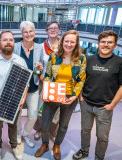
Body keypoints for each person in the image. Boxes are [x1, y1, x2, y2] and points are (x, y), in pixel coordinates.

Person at [73, 30, 122, 160]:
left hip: (105, 108)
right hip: (86, 104)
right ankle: (84, 150)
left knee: (102, 137)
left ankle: (99, 157)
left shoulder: (120, 63)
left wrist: (112, 105)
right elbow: (81, 79)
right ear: (98, 44)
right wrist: (80, 96)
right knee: (85, 130)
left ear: (115, 45)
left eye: (109, 42)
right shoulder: (88, 59)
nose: (106, 45)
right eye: (103, 42)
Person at [35, 30, 87, 160]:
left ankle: (56, 146)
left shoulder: (81, 58)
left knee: (63, 125)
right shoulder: (54, 56)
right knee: (45, 125)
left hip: (70, 97)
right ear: (62, 41)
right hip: (53, 94)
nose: (69, 44)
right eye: (66, 41)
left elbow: (81, 79)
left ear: (76, 43)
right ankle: (45, 144)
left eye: (72, 42)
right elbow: (47, 76)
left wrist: (75, 96)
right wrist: (48, 91)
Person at [0, 31, 28, 160]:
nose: (8, 42)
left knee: (13, 125)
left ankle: (14, 146)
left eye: (11, 40)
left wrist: (23, 98)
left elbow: (25, 83)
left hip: (15, 101)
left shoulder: (20, 61)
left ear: (14, 43)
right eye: (5, 40)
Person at [13, 21, 45, 148]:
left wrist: (40, 68)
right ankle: (17, 135)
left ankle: (25, 134)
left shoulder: (39, 47)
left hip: (33, 87)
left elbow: (38, 70)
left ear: (34, 32)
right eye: (25, 32)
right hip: (18, 88)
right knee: (17, 115)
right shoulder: (15, 47)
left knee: (33, 115)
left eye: (30, 31)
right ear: (22, 33)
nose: (28, 34)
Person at [33, 21, 61, 141]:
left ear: (59, 30)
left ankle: (52, 132)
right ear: (47, 31)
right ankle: (39, 129)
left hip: (59, 84)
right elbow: (36, 66)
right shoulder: (40, 47)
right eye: (50, 28)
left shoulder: (63, 46)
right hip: (43, 82)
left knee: (56, 111)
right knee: (41, 108)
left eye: (55, 28)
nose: (53, 30)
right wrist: (40, 76)